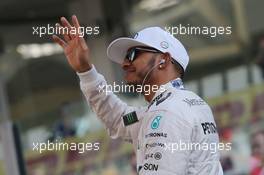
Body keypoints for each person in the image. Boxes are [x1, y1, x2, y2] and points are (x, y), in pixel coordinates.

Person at [53, 15, 223, 174]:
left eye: (133, 54)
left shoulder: (165, 112)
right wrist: (86, 71)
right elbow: (119, 118)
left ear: (163, 60)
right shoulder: (179, 104)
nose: (125, 63)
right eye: (125, 57)